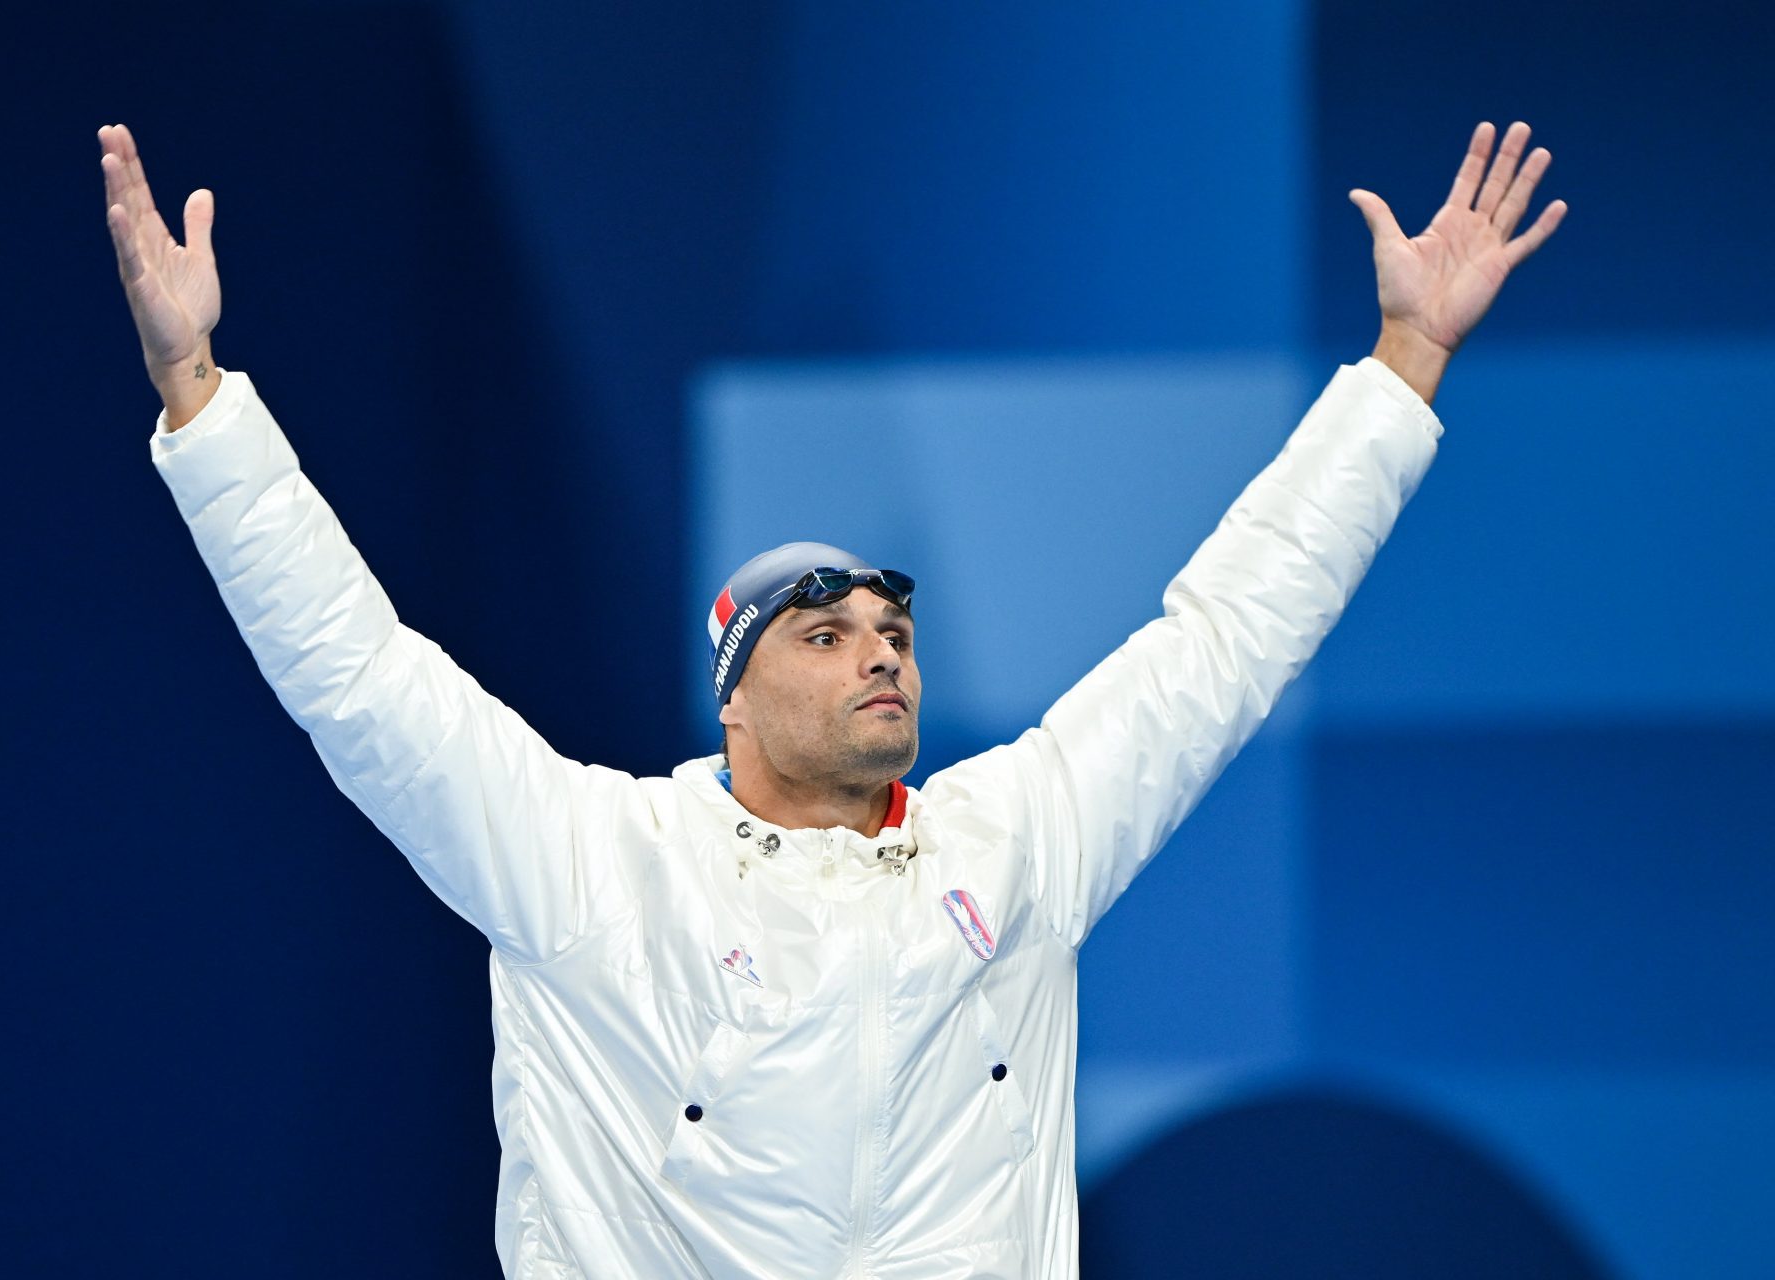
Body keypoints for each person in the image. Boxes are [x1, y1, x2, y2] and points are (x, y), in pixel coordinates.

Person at [100, 119, 1565, 1278]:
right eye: (827, 634)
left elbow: (1230, 637)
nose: (880, 652)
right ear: (731, 698)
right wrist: (199, 391)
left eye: (893, 630)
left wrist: (1405, 363)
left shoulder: (1018, 843)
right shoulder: (591, 860)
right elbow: (356, 674)